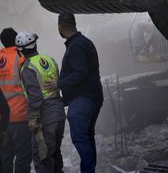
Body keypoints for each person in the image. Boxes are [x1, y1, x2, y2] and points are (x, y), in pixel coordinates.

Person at [57, 13, 103, 173]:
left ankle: (89, 171)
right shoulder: (84, 42)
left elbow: (80, 72)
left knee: (80, 137)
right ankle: (90, 170)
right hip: (92, 97)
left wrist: (58, 84)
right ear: (75, 24)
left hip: (83, 99)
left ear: (60, 28)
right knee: (88, 136)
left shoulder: (76, 46)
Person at [17, 32, 65, 173]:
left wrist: (33, 118)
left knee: (42, 157)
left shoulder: (28, 68)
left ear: (20, 51)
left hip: (45, 117)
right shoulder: (49, 59)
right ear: (35, 44)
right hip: (59, 113)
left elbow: (35, 97)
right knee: (55, 154)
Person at [0, 27, 31, 173]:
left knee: (5, 156)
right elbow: (30, 85)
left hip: (0, 119)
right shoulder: (21, 58)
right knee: (23, 156)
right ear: (16, 40)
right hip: (20, 115)